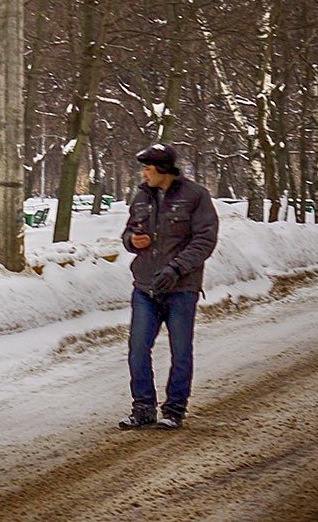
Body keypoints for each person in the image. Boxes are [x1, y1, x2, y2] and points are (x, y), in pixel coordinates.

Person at [119, 143, 219, 430]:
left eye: (148, 169)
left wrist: (176, 268)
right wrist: (131, 241)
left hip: (181, 288)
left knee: (180, 350)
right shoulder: (141, 196)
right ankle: (143, 408)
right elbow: (129, 231)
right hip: (145, 287)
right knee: (137, 348)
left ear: (163, 170)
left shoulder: (195, 196)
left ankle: (174, 409)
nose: (144, 174)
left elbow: (204, 240)